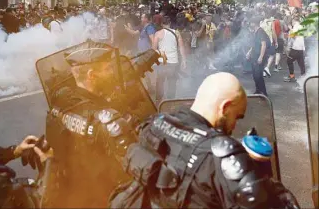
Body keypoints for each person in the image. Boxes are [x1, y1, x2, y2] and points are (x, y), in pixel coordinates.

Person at [110, 72, 300, 209]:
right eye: (237, 116)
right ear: (225, 107)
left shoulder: (155, 124)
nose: (234, 126)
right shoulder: (219, 156)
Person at [41, 40, 159, 208]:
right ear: (91, 75)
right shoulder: (105, 122)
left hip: (72, 196)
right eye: (107, 69)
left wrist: (152, 56)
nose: (112, 72)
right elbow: (143, 171)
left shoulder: (61, 105)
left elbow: (122, 82)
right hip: (107, 198)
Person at [152, 16, 186, 104]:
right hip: (174, 61)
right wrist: (184, 61)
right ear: (170, 23)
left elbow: (154, 49)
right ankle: (170, 102)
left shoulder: (158, 33)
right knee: (172, 82)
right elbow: (181, 47)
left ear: (162, 24)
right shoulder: (177, 33)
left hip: (163, 61)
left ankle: (158, 101)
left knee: (160, 81)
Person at [246, 17, 269, 96]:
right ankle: (258, 90)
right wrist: (249, 52)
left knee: (258, 75)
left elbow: (264, 44)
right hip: (254, 56)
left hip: (258, 56)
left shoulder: (260, 32)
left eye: (251, 23)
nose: (250, 24)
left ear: (254, 23)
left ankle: (263, 92)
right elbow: (254, 44)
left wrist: (261, 57)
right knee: (255, 74)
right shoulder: (255, 32)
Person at [284, 16, 306, 83]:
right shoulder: (301, 26)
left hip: (296, 48)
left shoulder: (296, 27)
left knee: (289, 61)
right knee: (301, 63)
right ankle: (304, 77)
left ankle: (292, 76)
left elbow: (293, 36)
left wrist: (291, 29)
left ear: (293, 22)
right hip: (301, 48)